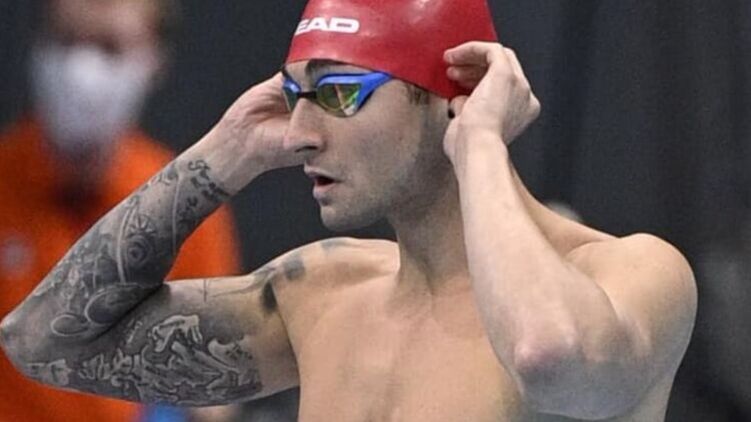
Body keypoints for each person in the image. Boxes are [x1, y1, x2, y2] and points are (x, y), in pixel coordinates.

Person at [0, 0, 697, 420]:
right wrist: (221, 155)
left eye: (337, 93)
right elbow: (40, 343)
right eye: (295, 95)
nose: (300, 133)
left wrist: (480, 142)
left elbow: (547, 356)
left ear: (453, 96)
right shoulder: (323, 295)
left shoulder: (634, 275)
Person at [0, 0, 241, 421]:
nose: (82, 71)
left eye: (110, 47)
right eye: (66, 41)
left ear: (155, 59)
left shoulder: (189, 205)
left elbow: (217, 396)